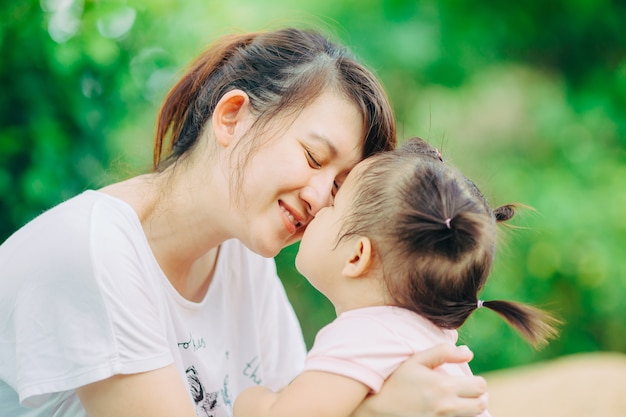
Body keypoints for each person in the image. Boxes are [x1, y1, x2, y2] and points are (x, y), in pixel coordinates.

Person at [0, 28, 488, 417]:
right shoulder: (93, 249)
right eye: (314, 157)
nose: (320, 200)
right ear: (232, 116)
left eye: (339, 188)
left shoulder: (241, 256)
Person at [233, 137, 560, 417]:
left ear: (357, 256)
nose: (319, 206)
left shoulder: (363, 336)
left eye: (335, 202)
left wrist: (251, 401)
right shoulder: (426, 339)